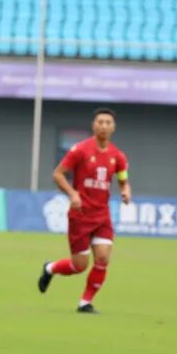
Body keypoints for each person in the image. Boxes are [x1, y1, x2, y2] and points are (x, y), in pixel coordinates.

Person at [38, 108, 131, 313]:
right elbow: (58, 174)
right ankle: (50, 268)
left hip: (102, 216)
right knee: (79, 266)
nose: (104, 126)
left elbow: (123, 180)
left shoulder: (118, 156)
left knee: (103, 258)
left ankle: (85, 302)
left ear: (113, 127)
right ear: (94, 125)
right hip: (80, 216)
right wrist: (73, 194)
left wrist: (125, 191)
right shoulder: (80, 150)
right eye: (100, 122)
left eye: (108, 122)